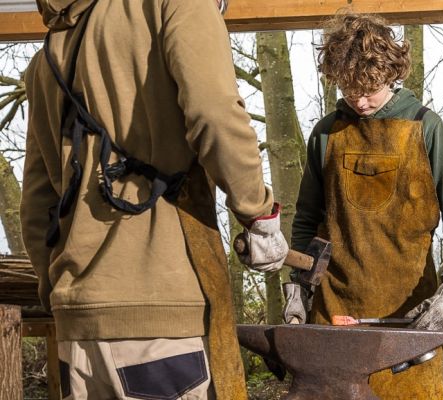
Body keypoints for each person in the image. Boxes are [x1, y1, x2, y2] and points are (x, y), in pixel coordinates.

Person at [20, 0, 287, 398]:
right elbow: (215, 115)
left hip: (77, 326)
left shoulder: (50, 52)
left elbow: (38, 199)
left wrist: (61, 292)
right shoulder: (175, 5)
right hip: (161, 321)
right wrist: (258, 214)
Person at [283, 10, 443, 399]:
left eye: (368, 89)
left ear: (390, 74)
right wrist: (298, 287)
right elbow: (306, 219)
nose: (359, 100)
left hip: (408, 321)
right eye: (348, 89)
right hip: (333, 313)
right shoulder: (326, 133)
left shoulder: (426, 127)